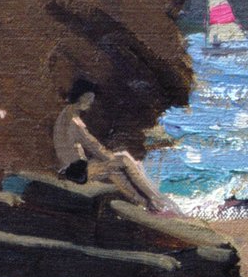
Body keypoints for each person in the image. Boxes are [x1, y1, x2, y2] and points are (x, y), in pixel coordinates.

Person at [53, 78, 171, 212]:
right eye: (89, 98)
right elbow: (95, 147)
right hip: (76, 172)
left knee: (115, 167)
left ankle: (146, 203)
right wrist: (125, 161)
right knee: (123, 161)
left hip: (73, 167)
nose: (91, 102)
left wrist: (116, 158)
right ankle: (155, 200)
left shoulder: (67, 114)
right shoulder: (75, 123)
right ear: (80, 97)